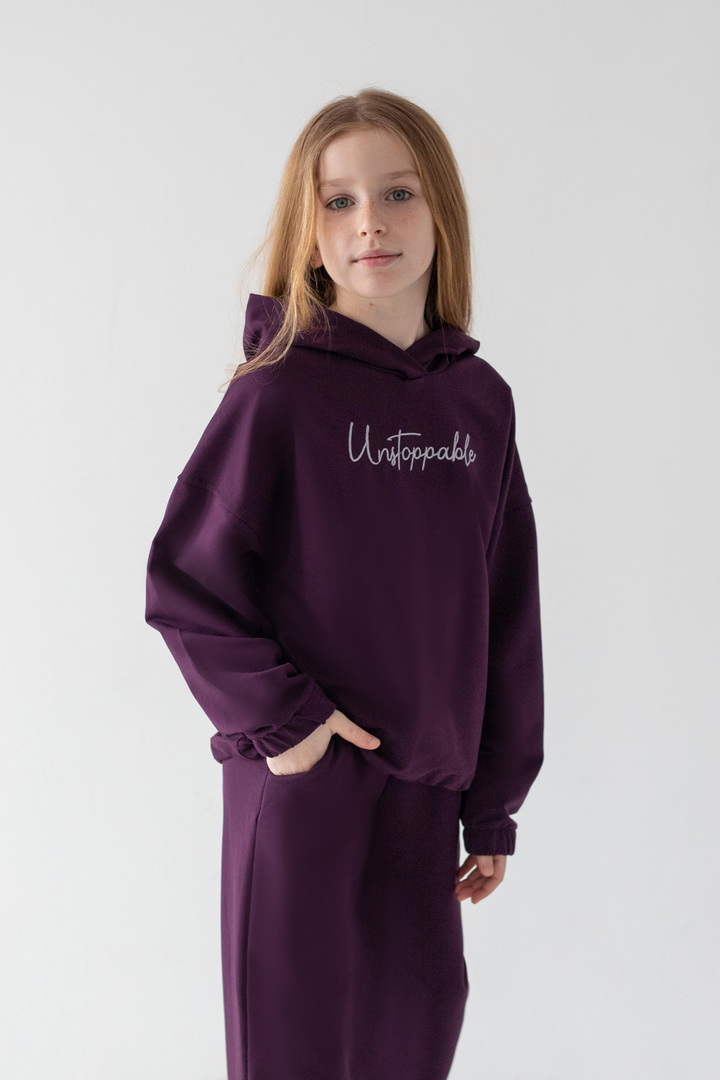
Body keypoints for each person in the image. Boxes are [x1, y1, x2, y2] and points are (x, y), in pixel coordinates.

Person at [145, 86, 544, 1080]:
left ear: (442, 210)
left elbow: (507, 610)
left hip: (429, 793)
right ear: (310, 230)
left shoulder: (479, 404)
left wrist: (493, 801)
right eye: (339, 200)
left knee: (412, 1039)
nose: (371, 222)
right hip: (305, 785)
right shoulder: (279, 392)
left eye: (398, 193)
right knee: (296, 1052)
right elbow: (186, 582)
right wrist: (291, 727)